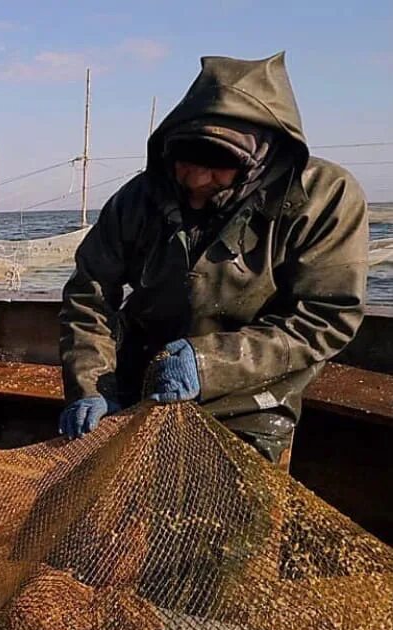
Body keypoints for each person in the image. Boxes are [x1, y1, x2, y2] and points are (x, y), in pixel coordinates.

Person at [58, 53, 368, 465]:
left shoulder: (327, 197)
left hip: (253, 399)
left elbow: (326, 318)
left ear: (262, 157)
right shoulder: (139, 197)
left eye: (220, 165)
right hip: (140, 384)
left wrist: (209, 364)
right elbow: (89, 296)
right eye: (186, 161)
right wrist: (92, 386)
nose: (199, 180)